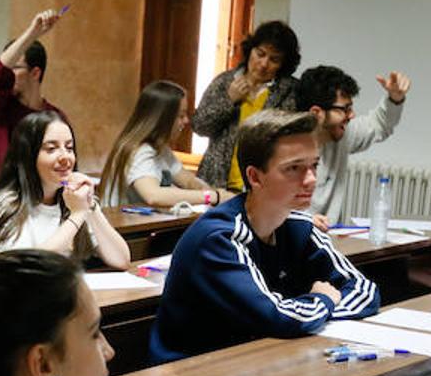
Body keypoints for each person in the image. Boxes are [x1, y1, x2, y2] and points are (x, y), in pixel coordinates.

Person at [149, 110, 380, 362]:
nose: (311, 179)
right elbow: (276, 316)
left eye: (314, 165)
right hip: (190, 373)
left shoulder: (300, 226)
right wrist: (324, 299)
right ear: (255, 177)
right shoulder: (218, 238)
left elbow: (365, 291)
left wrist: (316, 309)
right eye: (294, 168)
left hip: (255, 360)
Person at [0, 111, 131, 270]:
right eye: (51, 149)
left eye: (69, 148)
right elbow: (28, 269)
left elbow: (121, 260)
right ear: (28, 156)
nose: (65, 157)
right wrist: (77, 215)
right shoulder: (8, 204)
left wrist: (90, 205)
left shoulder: (74, 200)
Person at [294, 66, 410, 227]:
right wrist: (303, 221)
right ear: (316, 113)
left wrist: (395, 99)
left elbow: (378, 124)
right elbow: (272, 207)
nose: (352, 115)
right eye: (345, 109)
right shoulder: (285, 151)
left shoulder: (342, 135)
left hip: (329, 238)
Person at [194, 21, 301, 192]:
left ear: (283, 65)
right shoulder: (225, 81)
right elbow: (199, 126)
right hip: (217, 182)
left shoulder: (291, 91)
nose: (264, 63)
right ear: (250, 50)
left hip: (263, 185)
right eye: (260, 54)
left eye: (274, 59)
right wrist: (229, 100)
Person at [97, 80, 231, 209]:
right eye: (181, 115)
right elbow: (153, 195)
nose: (186, 121)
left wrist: (211, 192)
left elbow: (188, 180)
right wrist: (211, 197)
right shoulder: (140, 151)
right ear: (163, 119)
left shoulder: (161, 150)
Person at [0, 9, 67, 182]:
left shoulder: (55, 118)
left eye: (15, 68)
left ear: (35, 73)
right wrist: (32, 33)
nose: (8, 74)